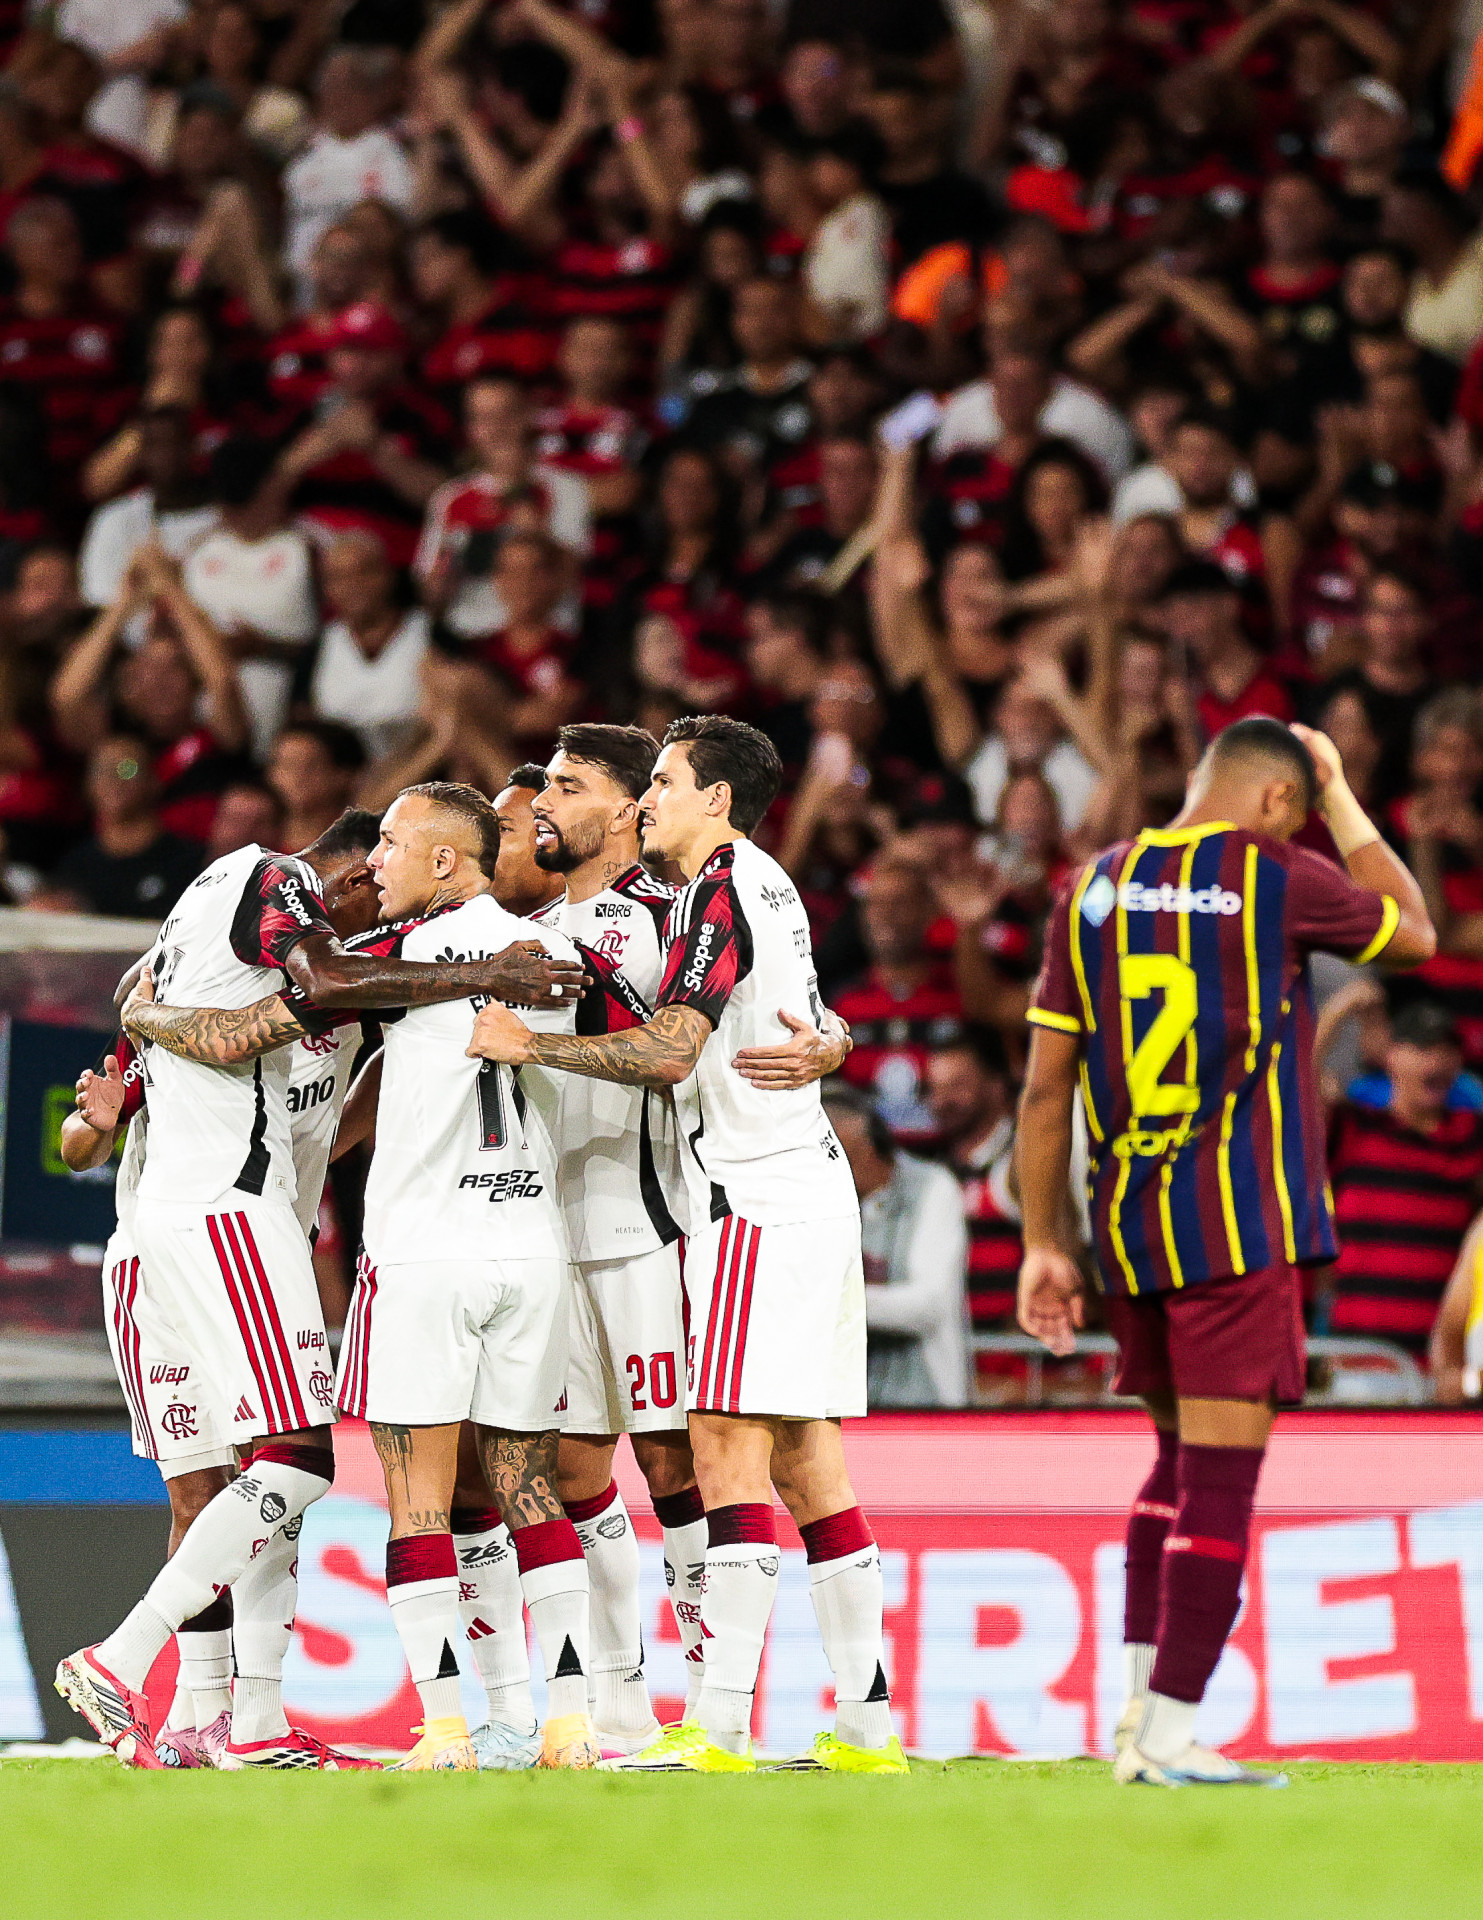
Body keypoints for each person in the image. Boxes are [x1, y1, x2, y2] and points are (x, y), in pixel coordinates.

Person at [54, 810, 586, 1767]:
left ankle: (235, 1723)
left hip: (203, 1228)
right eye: (370, 869)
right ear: (334, 884)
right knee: (294, 1462)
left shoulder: (294, 963)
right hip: (223, 1217)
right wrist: (490, 973)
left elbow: (166, 996)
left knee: (254, 1475)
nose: (376, 887)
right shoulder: (282, 897)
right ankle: (126, 1658)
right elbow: (295, 988)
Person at [468, 714, 905, 1775]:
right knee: (806, 1462)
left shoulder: (719, 889)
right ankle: (867, 1726)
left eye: (662, 782)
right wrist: (835, 1038)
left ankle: (716, 1725)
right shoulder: (754, 888)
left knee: (721, 1450)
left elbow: (671, 1050)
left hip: (751, 1197)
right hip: (789, 1187)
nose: (645, 799)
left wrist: (535, 1044)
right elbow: (787, 1012)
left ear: (715, 799)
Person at [1016, 715, 1435, 1787]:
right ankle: (1167, 1734)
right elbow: (1414, 933)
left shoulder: (1093, 888)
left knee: (1168, 1462)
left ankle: (1134, 1720)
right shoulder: (1274, 873)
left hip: (1127, 1232)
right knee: (1221, 1480)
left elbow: (1042, 1092)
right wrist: (1341, 793)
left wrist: (1040, 1246)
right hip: (1237, 1228)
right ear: (1276, 804)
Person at [61, 807, 387, 1769]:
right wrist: (108, 1110)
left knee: (244, 1485)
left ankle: (227, 1721)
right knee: (250, 1473)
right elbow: (79, 1141)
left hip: (230, 1235)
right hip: (189, 1235)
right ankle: (158, 1681)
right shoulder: (225, 970)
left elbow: (352, 1096)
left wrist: (331, 1148)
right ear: (358, 876)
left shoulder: (342, 993)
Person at [824, 1084, 970, 1408]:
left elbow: (927, 1305)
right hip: (844, 1406)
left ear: (854, 1150)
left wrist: (828, 1300)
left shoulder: (934, 1188)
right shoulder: (816, 1204)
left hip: (926, 1406)